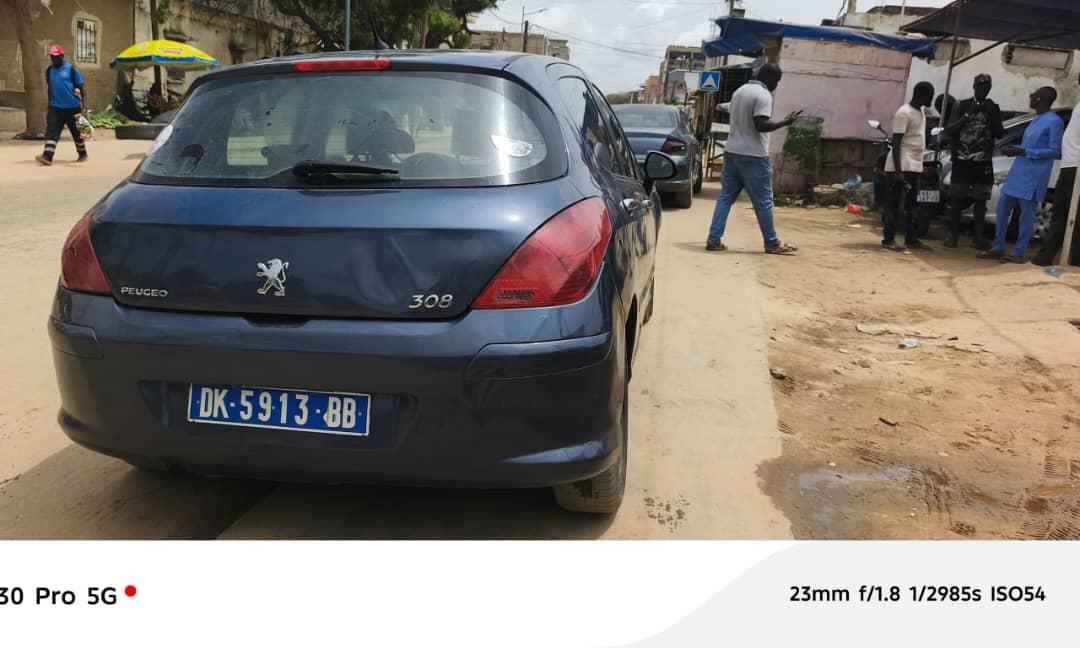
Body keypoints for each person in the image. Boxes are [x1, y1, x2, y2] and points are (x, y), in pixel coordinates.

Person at [705, 63, 800, 255]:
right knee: (764, 201)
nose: (776, 86)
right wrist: (786, 122)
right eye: (777, 81)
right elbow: (761, 125)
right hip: (754, 155)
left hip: (732, 152)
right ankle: (772, 243)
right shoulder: (763, 95)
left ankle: (714, 239)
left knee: (725, 197)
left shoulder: (739, 91)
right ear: (770, 78)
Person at [979, 87, 1064, 263]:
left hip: (1034, 175)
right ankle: (998, 247)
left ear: (1040, 99)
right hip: (1018, 171)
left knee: (1027, 215)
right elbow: (1027, 146)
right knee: (1003, 208)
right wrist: (1014, 149)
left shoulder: (1054, 122)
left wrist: (1025, 151)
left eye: (1033, 96)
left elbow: (1055, 151)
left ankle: (1019, 252)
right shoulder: (1036, 119)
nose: (1030, 98)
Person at [943, 74, 1005, 249]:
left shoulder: (993, 107)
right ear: (974, 86)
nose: (983, 90)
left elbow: (1000, 133)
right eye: (980, 86)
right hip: (962, 160)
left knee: (981, 200)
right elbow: (950, 129)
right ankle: (953, 236)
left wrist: (992, 114)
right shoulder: (961, 105)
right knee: (956, 199)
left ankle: (978, 238)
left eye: (986, 87)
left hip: (983, 162)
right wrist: (968, 114)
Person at [1034, 73, 1080, 267]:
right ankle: (1055, 258)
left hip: (1075, 167)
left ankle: (1056, 258)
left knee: (1066, 216)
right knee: (1065, 215)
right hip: (1070, 166)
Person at [882, 82, 935, 251]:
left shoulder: (920, 112)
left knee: (912, 206)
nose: (932, 99)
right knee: (894, 204)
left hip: (914, 165)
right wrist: (898, 173)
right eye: (930, 95)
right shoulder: (904, 112)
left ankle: (911, 239)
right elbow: (896, 143)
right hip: (901, 165)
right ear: (923, 95)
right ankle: (888, 239)